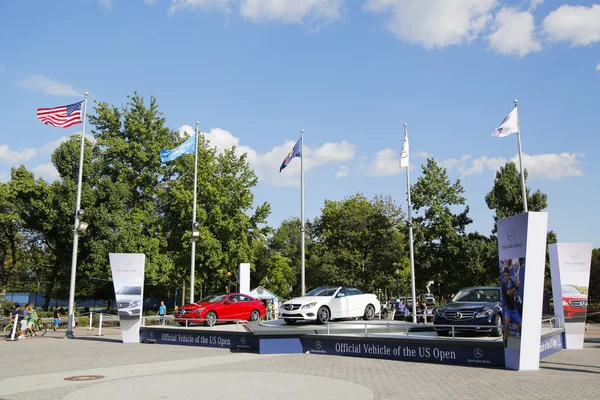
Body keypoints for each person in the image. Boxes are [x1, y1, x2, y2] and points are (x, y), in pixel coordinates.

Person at [502, 267, 522, 347]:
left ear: (509, 275)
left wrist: (517, 291)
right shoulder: (503, 285)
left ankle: (521, 337)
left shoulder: (511, 281)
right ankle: (505, 342)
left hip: (514, 309)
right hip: (508, 309)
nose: (505, 277)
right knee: (506, 324)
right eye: (504, 276)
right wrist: (516, 287)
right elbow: (509, 293)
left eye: (506, 275)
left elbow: (515, 292)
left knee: (520, 326)